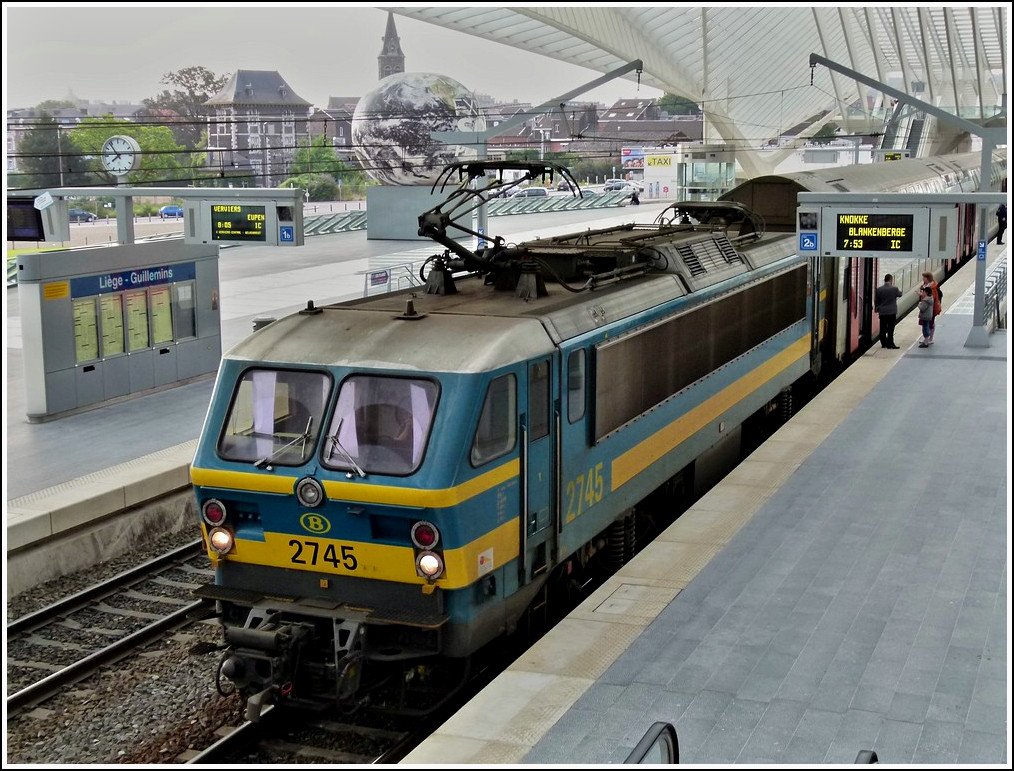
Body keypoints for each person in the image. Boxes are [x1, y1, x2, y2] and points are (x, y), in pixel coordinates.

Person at [874, 273, 902, 349]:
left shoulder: (879, 289)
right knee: (890, 328)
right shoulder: (894, 288)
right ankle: (891, 344)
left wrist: (877, 308)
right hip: (892, 312)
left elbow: (876, 300)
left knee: (882, 328)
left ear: (884, 280)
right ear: (891, 280)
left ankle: (883, 343)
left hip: (882, 312)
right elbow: (900, 294)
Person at [920, 271, 941, 344]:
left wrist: (922, 296)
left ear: (927, 278)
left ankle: (930, 339)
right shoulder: (924, 286)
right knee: (925, 323)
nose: (922, 279)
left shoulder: (932, 288)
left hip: (931, 309)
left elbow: (932, 299)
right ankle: (926, 338)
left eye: (924, 277)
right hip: (925, 308)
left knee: (930, 323)